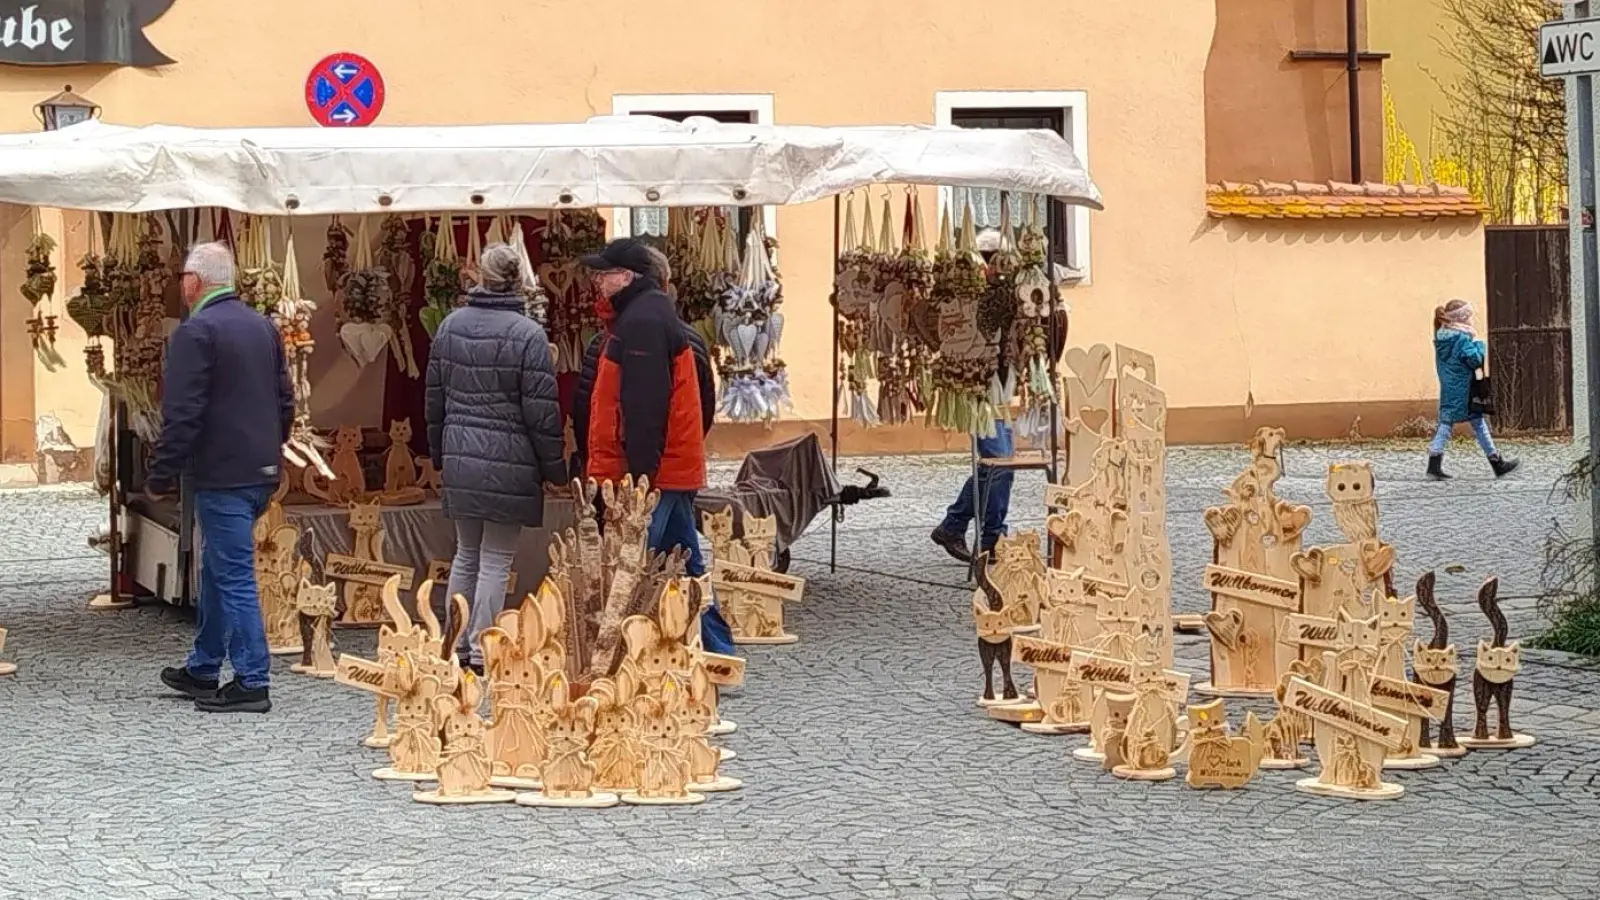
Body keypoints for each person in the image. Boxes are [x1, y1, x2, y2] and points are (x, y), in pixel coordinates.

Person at [153, 242, 293, 714]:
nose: (181, 287)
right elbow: (285, 399)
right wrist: (271, 450)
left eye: (182, 279)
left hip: (221, 471)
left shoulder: (197, 333)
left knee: (232, 575)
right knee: (217, 566)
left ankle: (253, 679)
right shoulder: (263, 327)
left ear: (194, 282)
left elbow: (182, 412)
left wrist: (161, 471)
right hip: (259, 470)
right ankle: (204, 665)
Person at [427, 243, 566, 673]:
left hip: (461, 456)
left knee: (465, 554)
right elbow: (541, 413)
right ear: (518, 280)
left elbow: (434, 399)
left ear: (481, 278)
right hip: (512, 459)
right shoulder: (527, 334)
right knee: (495, 560)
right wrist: (554, 468)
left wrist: (439, 455)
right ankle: (480, 647)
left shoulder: (450, 326)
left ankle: (452, 643)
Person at [577, 238, 710, 614]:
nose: (598, 282)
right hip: (669, 467)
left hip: (655, 473)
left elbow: (644, 407)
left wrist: (638, 480)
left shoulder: (643, 322)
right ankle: (716, 646)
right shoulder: (645, 314)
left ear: (626, 276)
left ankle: (625, 652)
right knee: (687, 566)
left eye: (604, 274)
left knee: (629, 570)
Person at [1429, 299, 1518, 480]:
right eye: (1468, 316)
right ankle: (1496, 463)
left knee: (1446, 424)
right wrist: (1479, 346)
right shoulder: (1462, 339)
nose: (1471, 319)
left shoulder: (1441, 337)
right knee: (1477, 423)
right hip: (1465, 390)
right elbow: (1475, 360)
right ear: (1461, 319)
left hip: (1450, 389)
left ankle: (1434, 464)